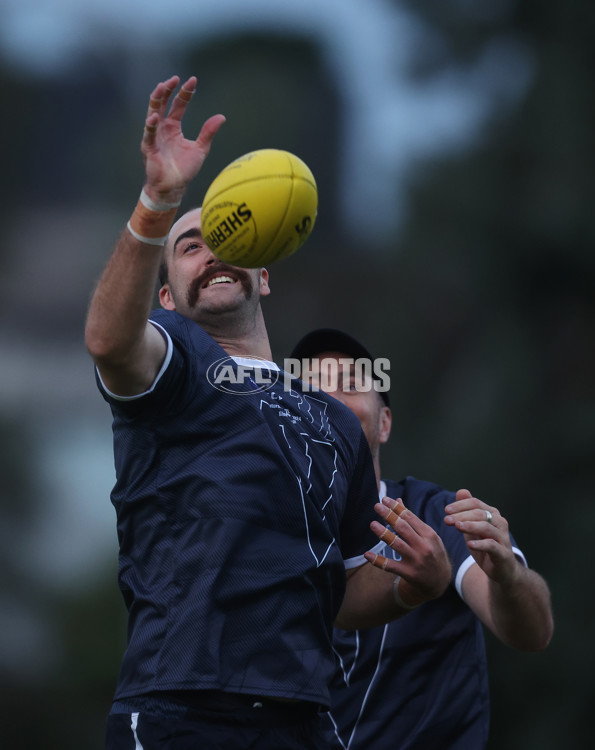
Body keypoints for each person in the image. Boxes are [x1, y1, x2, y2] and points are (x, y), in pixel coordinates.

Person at [84, 76, 453, 750]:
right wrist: (157, 204)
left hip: (303, 718)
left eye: (228, 237)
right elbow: (109, 340)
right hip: (180, 707)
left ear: (266, 270)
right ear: (165, 298)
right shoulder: (177, 364)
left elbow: (341, 589)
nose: (212, 252)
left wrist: (411, 589)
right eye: (191, 247)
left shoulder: (335, 420)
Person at [288, 328, 554, 750]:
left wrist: (508, 576)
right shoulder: (275, 537)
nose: (332, 399)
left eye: (351, 385)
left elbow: (532, 633)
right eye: (313, 389)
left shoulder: (436, 516)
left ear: (385, 423)